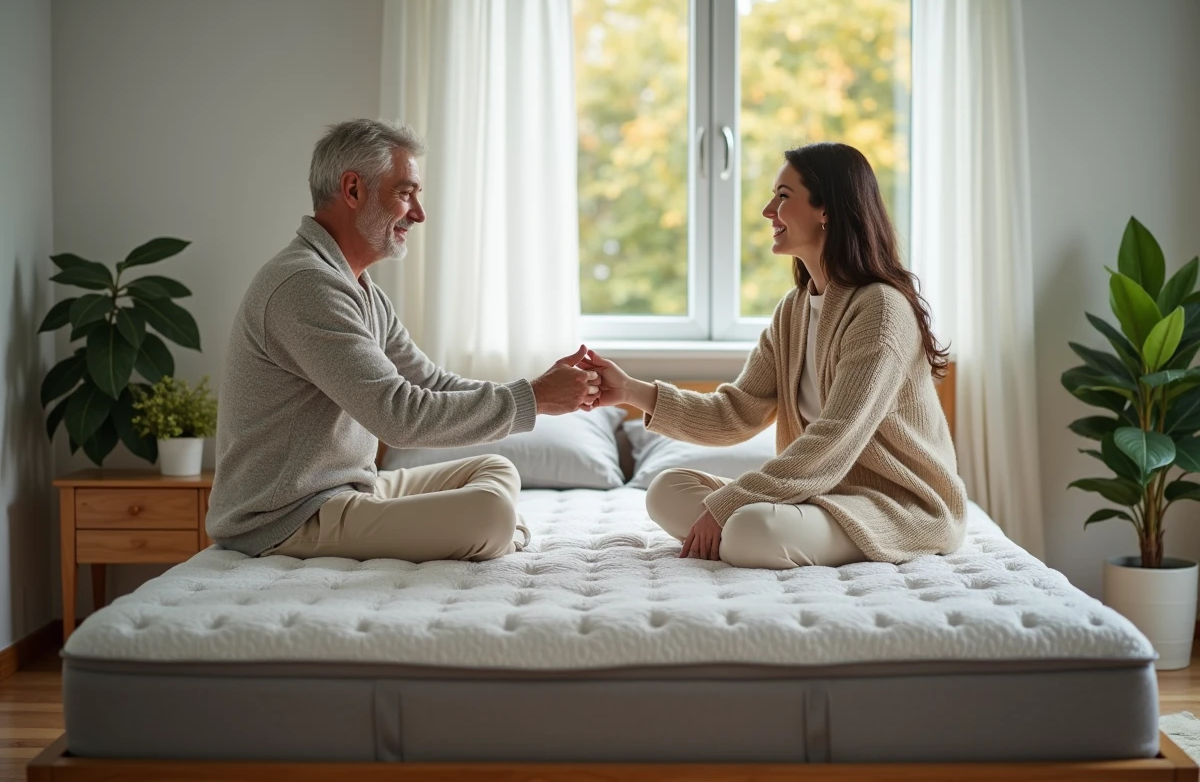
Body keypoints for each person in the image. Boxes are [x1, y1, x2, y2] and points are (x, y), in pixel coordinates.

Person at [206, 118, 599, 562]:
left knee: (495, 468)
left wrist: (535, 389)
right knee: (489, 513)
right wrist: (534, 399)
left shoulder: (358, 287)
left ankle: (499, 531)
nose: (418, 213)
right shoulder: (305, 286)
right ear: (353, 190)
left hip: (349, 489)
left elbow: (430, 382)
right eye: (405, 193)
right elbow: (400, 417)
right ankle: (501, 531)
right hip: (286, 516)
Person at [582, 142, 967, 569]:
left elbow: (835, 436)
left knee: (750, 529)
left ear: (827, 210)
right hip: (819, 493)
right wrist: (630, 391)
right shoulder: (794, 310)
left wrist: (730, 505)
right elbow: (734, 413)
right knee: (665, 490)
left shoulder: (880, 309)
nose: (769, 210)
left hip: (896, 506)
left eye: (783, 197)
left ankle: (759, 528)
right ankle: (768, 526)